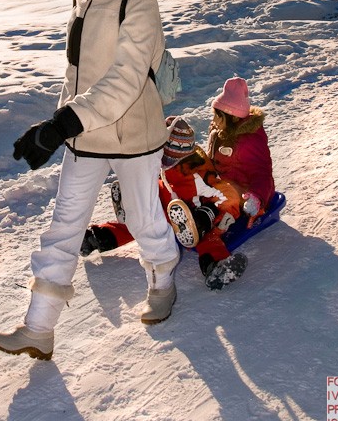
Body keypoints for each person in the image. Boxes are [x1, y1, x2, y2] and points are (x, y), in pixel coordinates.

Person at [0, 0, 180, 360]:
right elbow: (76, 76)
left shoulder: (137, 0)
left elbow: (125, 79)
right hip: (86, 136)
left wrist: (63, 124)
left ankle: (163, 281)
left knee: (142, 218)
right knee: (63, 228)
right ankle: (38, 328)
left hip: (133, 134)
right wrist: (56, 125)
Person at [81, 77, 275, 291]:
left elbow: (262, 174)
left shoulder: (249, 141)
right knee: (148, 217)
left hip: (241, 194)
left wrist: (256, 197)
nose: (213, 120)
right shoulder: (219, 132)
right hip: (204, 189)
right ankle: (98, 236)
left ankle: (216, 263)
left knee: (207, 233)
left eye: (217, 116)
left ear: (231, 116)